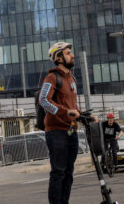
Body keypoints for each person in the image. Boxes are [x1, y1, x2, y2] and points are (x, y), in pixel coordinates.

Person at [40, 41, 80, 204]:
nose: (72, 55)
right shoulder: (52, 77)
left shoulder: (72, 79)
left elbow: (73, 106)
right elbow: (44, 100)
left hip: (71, 130)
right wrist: (65, 112)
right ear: (58, 57)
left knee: (69, 172)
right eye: (68, 52)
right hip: (56, 132)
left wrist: (84, 115)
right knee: (59, 172)